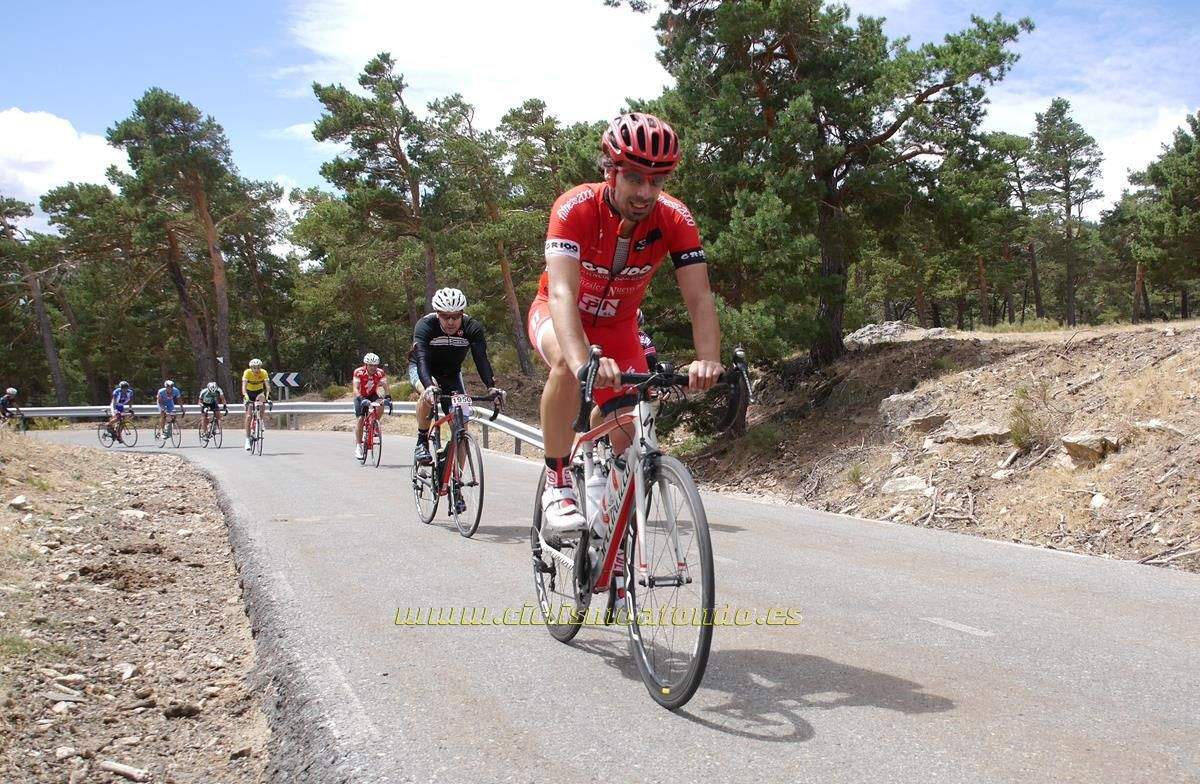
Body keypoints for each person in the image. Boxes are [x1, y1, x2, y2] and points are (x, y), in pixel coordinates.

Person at [527, 112, 723, 541]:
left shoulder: (675, 218)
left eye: (657, 181)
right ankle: (558, 482)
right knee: (564, 363)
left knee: (629, 425)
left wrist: (708, 359)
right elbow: (560, 293)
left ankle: (606, 500)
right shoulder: (574, 206)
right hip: (561, 314)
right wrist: (583, 365)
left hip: (618, 325)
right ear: (610, 171)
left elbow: (699, 297)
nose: (645, 192)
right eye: (634, 178)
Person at [411, 287, 504, 467]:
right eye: (445, 316)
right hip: (423, 370)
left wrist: (490, 386)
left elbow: (481, 359)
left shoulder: (471, 327)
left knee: (461, 426)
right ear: (437, 314)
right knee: (428, 394)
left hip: (452, 374)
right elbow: (421, 359)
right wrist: (429, 386)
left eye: (456, 316)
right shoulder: (425, 326)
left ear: (462, 313)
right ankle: (422, 441)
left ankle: (458, 486)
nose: (451, 321)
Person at [352, 352, 391, 461]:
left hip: (372, 394)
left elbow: (385, 385)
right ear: (366, 365)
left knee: (381, 403)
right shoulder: (359, 372)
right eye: (371, 365)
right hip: (360, 395)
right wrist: (361, 398)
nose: (373, 368)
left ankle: (374, 425)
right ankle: (358, 446)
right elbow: (355, 388)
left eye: (375, 365)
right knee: (361, 418)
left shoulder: (380, 373)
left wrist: (388, 396)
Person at [242, 358, 270, 451]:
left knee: (263, 399)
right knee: (249, 416)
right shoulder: (247, 372)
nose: (257, 370)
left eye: (258, 368)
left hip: (259, 392)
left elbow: (267, 386)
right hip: (249, 393)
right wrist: (246, 396)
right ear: (251, 368)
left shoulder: (264, 372)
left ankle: (260, 420)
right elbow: (243, 387)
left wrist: (267, 396)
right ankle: (247, 439)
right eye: (254, 368)